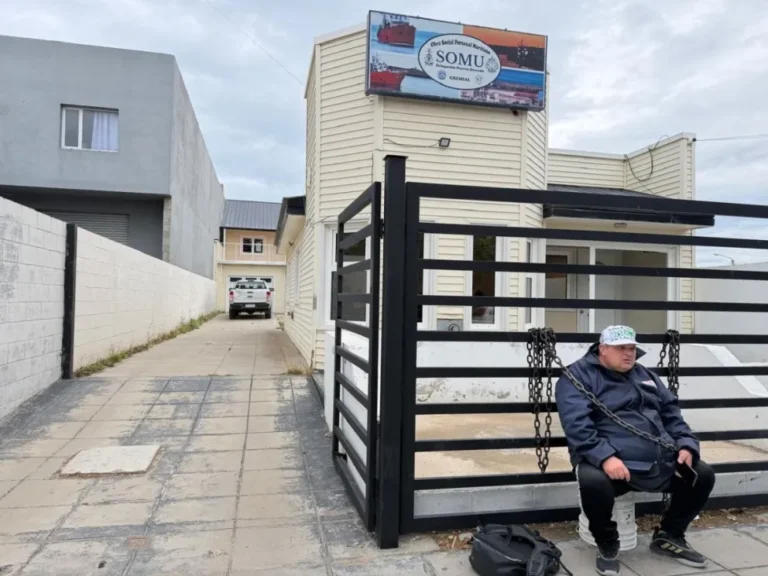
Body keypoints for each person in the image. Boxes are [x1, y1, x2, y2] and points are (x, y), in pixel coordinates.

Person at [554, 325, 716, 576]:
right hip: (611, 460)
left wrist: (686, 444)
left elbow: (672, 414)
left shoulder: (645, 375)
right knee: (593, 482)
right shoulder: (577, 377)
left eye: (632, 348)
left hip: (658, 458)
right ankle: (607, 543)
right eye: (621, 349)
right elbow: (577, 426)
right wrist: (605, 457)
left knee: (702, 475)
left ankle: (669, 535)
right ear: (603, 349)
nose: (629, 354)